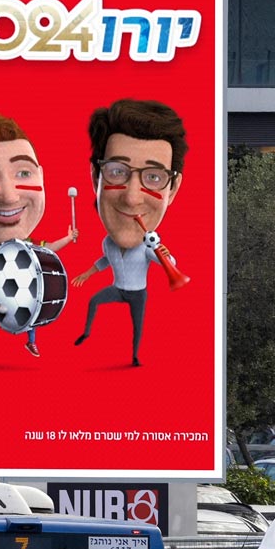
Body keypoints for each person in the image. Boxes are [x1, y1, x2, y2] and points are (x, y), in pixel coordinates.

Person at [0, 113, 78, 368]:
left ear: (42, 177)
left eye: (23, 172)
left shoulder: (26, 244)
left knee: (32, 311)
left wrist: (67, 237)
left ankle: (31, 339)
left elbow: (47, 250)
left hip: (27, 298)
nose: (8, 197)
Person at [72, 99, 188, 368]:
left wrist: (166, 255)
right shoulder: (107, 243)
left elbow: (170, 266)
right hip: (117, 289)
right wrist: (87, 274)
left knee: (138, 326)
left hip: (138, 293)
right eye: (116, 172)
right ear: (95, 179)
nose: (132, 198)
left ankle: (135, 355)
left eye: (154, 177)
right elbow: (104, 260)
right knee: (94, 302)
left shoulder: (149, 249)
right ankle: (87, 332)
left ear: (172, 189)